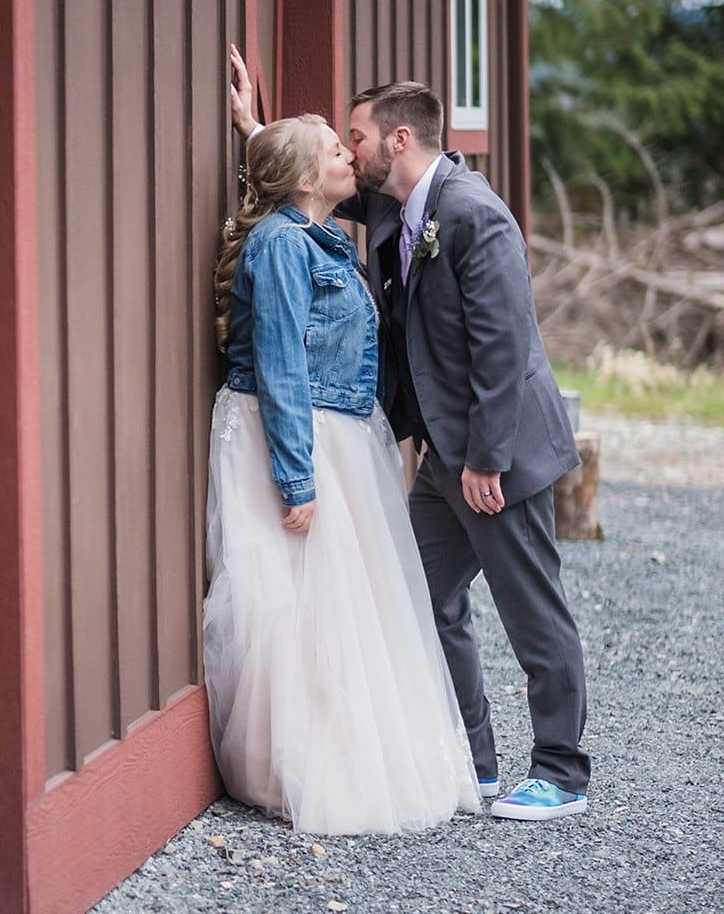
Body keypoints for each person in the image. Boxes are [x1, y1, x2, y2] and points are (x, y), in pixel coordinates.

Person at [228, 52, 592, 822]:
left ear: (396, 140)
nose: (349, 151)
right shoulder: (396, 205)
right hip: (441, 455)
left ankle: (561, 771)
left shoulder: (472, 214)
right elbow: (304, 187)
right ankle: (474, 755)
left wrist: (487, 458)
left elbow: (506, 344)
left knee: (532, 607)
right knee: (421, 594)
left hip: (500, 456)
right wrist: (257, 131)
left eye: (354, 135)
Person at [203, 112, 480, 835]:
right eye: (335, 149)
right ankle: (295, 762)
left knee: (349, 604)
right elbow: (282, 363)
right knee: (295, 603)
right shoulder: (281, 245)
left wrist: (253, 121)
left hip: (337, 432)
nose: (347, 157)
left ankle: (358, 752)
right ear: (304, 179)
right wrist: (297, 479)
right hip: (296, 435)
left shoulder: (319, 236)